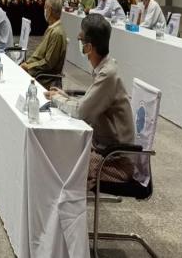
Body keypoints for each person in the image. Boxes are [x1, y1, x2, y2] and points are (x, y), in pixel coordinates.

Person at [45, 14, 135, 190]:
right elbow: (87, 104)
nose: (79, 43)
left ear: (88, 47)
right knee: (63, 155)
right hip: (105, 150)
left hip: (115, 161)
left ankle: (65, 207)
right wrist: (65, 97)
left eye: (81, 39)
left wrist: (57, 99)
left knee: (65, 167)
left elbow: (81, 112)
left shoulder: (108, 74)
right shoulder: (104, 68)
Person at [21, 0, 67, 87]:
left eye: (45, 7)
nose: (44, 10)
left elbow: (48, 63)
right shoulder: (52, 28)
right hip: (38, 72)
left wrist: (29, 66)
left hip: (45, 79)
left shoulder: (57, 33)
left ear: (49, 9)